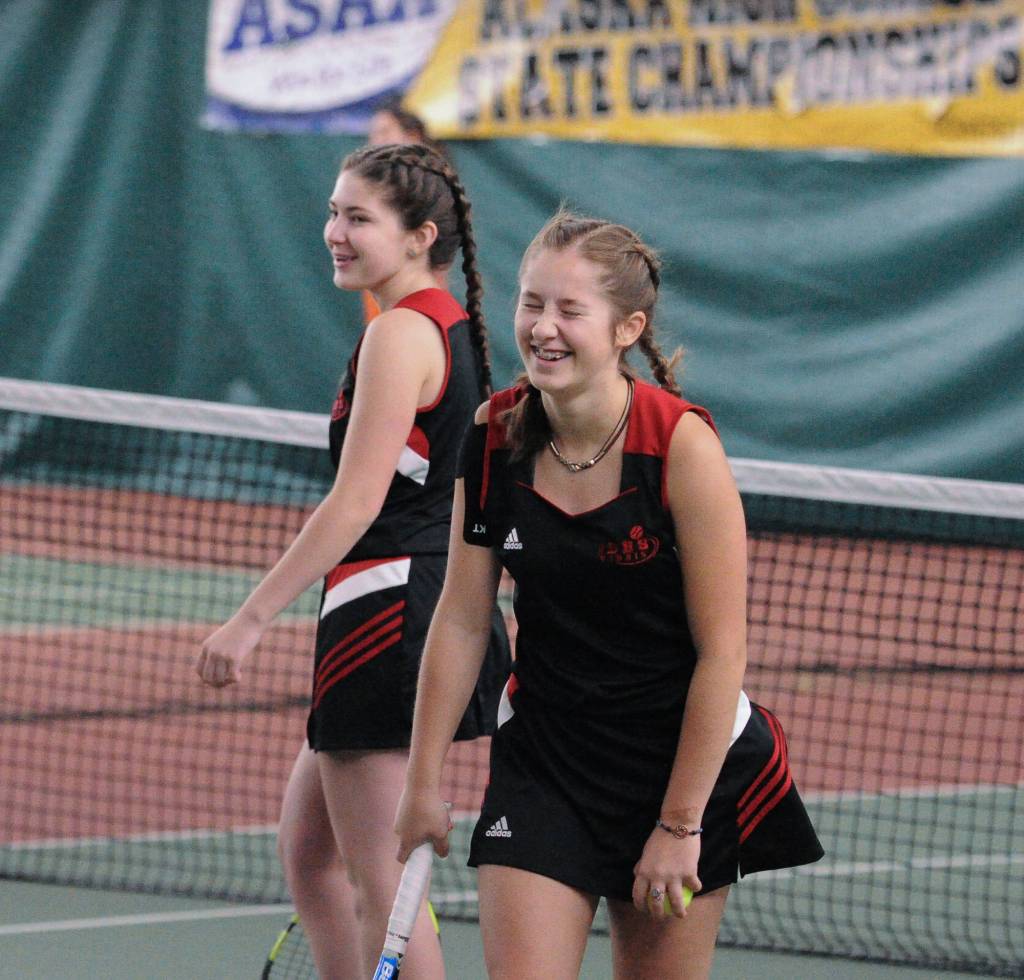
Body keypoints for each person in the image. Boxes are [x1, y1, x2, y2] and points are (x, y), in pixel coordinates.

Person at [394, 210, 823, 978]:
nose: (542, 328)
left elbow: (722, 652)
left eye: (569, 309)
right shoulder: (494, 435)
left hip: (676, 766)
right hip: (547, 761)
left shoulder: (681, 448)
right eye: (531, 303)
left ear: (627, 328)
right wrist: (422, 780)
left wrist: (680, 825)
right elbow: (462, 618)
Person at [196, 143, 511, 980]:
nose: (334, 231)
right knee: (309, 851)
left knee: (384, 887)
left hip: (387, 616)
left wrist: (250, 618)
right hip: (407, 605)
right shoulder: (439, 322)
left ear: (420, 236)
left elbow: (356, 500)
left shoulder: (403, 334)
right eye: (334, 212)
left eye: (357, 218)